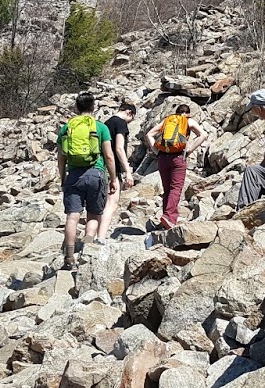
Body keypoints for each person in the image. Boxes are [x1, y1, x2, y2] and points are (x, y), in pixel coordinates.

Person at [55, 92, 119, 269]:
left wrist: (63, 179)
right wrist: (113, 178)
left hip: (74, 176)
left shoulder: (66, 128)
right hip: (96, 174)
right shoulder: (100, 127)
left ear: (76, 107)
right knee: (93, 214)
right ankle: (87, 251)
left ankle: (69, 257)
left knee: (72, 216)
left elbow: (61, 158)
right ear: (93, 107)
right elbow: (109, 156)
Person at [145, 103, 209, 229]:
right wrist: (190, 150)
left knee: (167, 189)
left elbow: (149, 135)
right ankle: (169, 217)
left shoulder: (167, 120)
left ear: (177, 112)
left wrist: (157, 152)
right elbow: (203, 135)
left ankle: (166, 217)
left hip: (163, 158)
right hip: (178, 157)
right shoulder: (188, 121)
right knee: (176, 188)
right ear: (188, 113)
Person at [96, 101, 138, 239]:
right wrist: (128, 172)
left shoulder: (106, 123)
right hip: (112, 169)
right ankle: (100, 238)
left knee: (100, 205)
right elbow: (119, 148)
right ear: (129, 112)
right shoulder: (120, 123)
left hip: (99, 167)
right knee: (111, 204)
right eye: (131, 119)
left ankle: (92, 236)